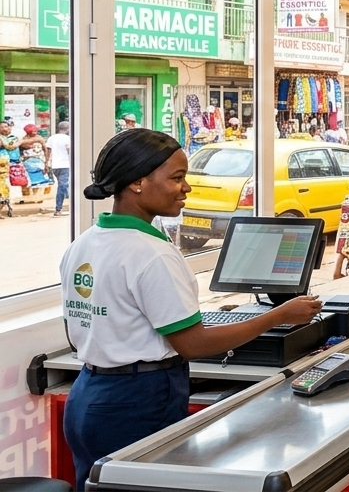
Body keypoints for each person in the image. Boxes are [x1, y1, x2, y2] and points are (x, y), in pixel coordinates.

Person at [60, 129, 321, 491]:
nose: (186, 188)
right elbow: (193, 344)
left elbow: (78, 329)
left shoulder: (84, 244)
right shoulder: (151, 254)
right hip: (138, 400)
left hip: (86, 395)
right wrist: (278, 316)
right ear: (137, 182)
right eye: (177, 178)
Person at [46, 121, 71, 216]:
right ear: (67, 129)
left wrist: (46, 163)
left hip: (55, 165)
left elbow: (48, 151)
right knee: (63, 186)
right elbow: (69, 151)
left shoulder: (52, 138)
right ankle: (58, 208)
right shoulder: (67, 138)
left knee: (64, 185)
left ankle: (63, 205)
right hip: (65, 165)